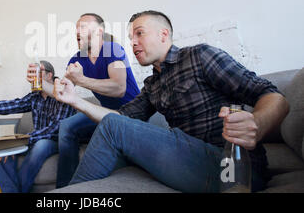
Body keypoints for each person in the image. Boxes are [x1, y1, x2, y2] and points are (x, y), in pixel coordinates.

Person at [52, 10, 289, 193]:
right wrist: (75, 101)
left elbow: (273, 95)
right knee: (112, 129)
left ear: (163, 34)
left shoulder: (199, 56)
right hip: (191, 158)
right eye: (130, 37)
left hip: (234, 169)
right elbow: (119, 120)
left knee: (112, 128)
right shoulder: (152, 84)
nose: (132, 42)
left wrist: (257, 124)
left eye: (139, 33)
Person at [28, 13, 140, 188]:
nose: (76, 31)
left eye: (83, 27)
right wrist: (41, 82)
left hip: (132, 115)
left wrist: (81, 80)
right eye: (76, 28)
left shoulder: (115, 50)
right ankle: (65, 189)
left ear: (98, 32)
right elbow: (61, 92)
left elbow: (119, 88)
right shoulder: (76, 59)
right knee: (67, 126)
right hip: (104, 114)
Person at [0, 60, 76, 192]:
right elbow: (13, 105)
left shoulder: (63, 93)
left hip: (54, 141)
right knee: (3, 150)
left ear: (49, 75)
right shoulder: (35, 96)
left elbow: (55, 130)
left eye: (37, 72)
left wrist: (22, 139)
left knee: (41, 145)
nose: (33, 77)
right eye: (31, 73)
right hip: (34, 138)